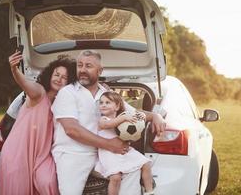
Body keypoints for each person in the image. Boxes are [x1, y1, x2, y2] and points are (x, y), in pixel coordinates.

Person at [51, 50, 165, 195]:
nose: (83, 70)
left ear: (100, 71)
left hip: (102, 154)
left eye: (88, 66)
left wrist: (155, 116)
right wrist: (110, 145)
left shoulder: (106, 94)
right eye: (80, 65)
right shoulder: (67, 92)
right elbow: (71, 130)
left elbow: (132, 114)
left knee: (132, 170)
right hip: (72, 154)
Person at [0, 51, 75, 195]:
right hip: (18, 153)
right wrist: (14, 69)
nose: (59, 79)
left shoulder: (62, 103)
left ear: (69, 82)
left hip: (42, 156)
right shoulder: (38, 93)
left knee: (48, 181)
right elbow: (25, 84)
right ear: (49, 75)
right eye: (56, 74)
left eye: (64, 77)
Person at [95, 91, 154, 195]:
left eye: (108, 102)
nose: (103, 105)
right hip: (109, 154)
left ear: (117, 106)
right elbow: (108, 125)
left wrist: (139, 118)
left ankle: (149, 191)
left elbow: (130, 133)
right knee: (116, 177)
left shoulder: (124, 120)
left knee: (145, 164)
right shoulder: (103, 120)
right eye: (101, 102)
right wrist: (123, 118)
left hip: (124, 151)